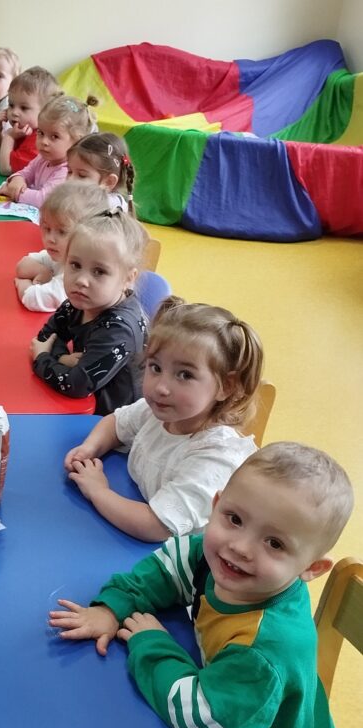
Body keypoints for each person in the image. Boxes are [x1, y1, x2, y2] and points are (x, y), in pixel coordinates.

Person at [49, 443, 354, 728]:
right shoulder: (219, 560)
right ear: (216, 504)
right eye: (235, 519)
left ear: (311, 568)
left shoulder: (263, 652)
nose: (240, 547)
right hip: (237, 714)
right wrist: (113, 607)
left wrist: (152, 643)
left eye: (275, 544)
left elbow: (199, 718)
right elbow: (169, 567)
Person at [63, 297, 263, 540]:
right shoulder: (160, 411)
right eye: (156, 368)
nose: (161, 388)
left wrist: (98, 491)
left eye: (185, 375)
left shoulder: (214, 456)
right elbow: (116, 423)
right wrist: (90, 448)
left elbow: (155, 527)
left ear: (226, 387)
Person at [30, 210, 148, 414]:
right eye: (75, 265)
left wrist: (42, 357)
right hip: (77, 406)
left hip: (111, 421)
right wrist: (62, 359)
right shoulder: (81, 301)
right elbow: (47, 336)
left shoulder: (119, 330)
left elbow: (76, 385)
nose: (81, 280)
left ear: (128, 278)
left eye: (99, 271)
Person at [14, 180, 110, 312]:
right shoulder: (63, 254)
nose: (50, 239)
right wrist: (43, 271)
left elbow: (33, 299)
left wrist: (22, 283)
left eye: (62, 232)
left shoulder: (80, 275)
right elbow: (22, 266)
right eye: (47, 229)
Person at [0, 94, 98, 208]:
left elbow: (44, 200)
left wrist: (14, 193)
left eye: (54, 136)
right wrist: (17, 179)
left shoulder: (68, 171)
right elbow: (25, 172)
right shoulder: (42, 158)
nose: (44, 141)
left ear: (76, 141)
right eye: (41, 133)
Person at [0, 66, 61, 176]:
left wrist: (9, 137)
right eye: (11, 105)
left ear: (45, 111)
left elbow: (6, 169)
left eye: (24, 108)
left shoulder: (38, 140)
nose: (14, 112)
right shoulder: (21, 131)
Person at [67, 132, 136, 212]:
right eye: (69, 171)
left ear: (109, 182)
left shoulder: (105, 209)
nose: (70, 179)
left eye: (82, 175)